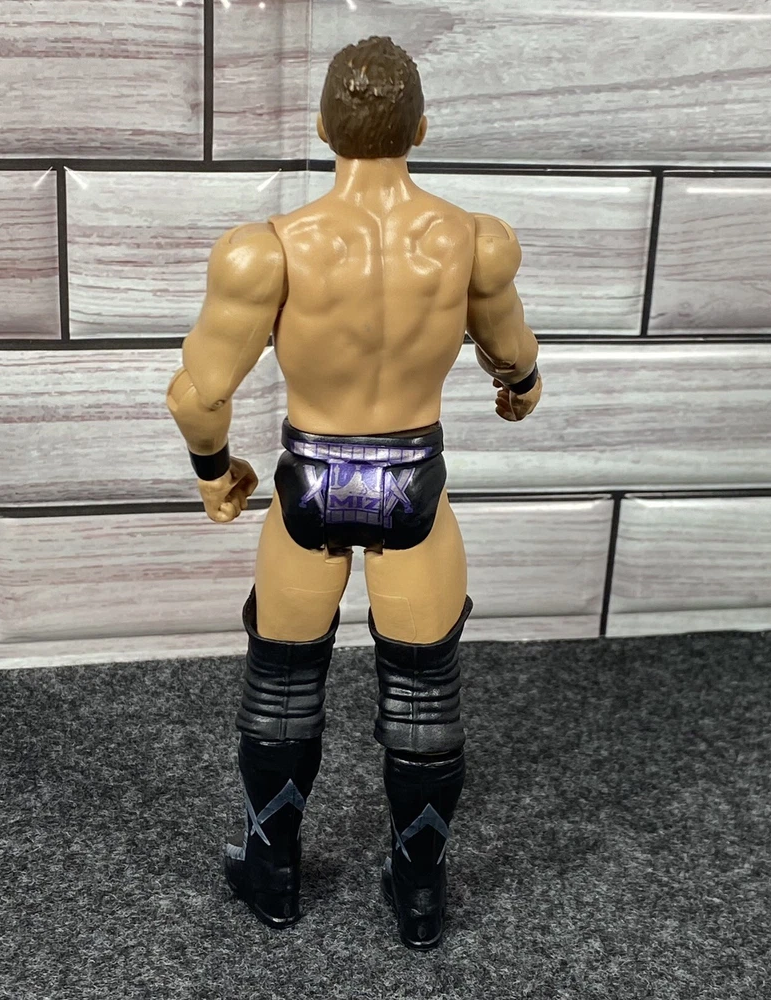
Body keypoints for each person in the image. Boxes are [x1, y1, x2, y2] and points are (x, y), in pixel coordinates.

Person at [166, 35, 542, 950]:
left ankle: (273, 872)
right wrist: (519, 388)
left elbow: (199, 397)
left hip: (311, 479)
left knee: (284, 681)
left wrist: (216, 473)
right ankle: (419, 891)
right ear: (421, 129)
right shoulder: (472, 241)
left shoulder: (267, 252)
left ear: (322, 128)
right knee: (422, 693)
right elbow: (514, 355)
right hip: (412, 479)